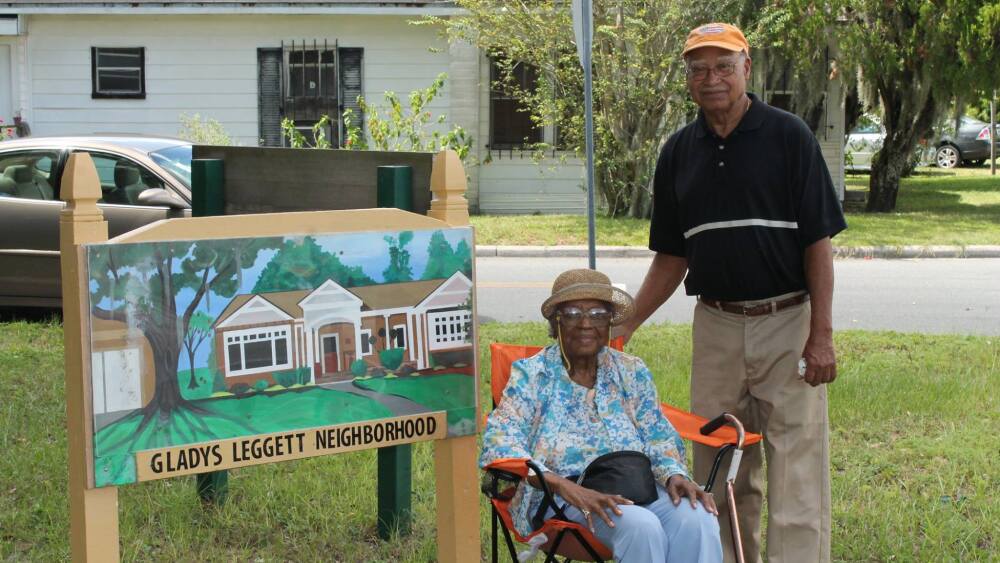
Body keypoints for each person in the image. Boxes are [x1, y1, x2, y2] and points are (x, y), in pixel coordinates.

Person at [620, 22, 847, 563]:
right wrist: (624, 324)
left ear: (748, 67)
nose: (711, 78)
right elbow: (673, 256)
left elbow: (818, 243)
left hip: (788, 321)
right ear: (688, 79)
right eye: (699, 69)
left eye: (724, 65)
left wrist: (822, 336)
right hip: (716, 325)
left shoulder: (788, 135)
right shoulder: (678, 151)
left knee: (797, 469)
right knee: (716, 466)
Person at [480, 268, 723, 563]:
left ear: (610, 322)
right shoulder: (531, 375)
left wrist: (674, 473)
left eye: (597, 313)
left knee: (698, 518)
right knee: (641, 527)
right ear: (555, 323)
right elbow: (500, 441)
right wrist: (561, 484)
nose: (585, 324)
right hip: (561, 501)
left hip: (636, 485)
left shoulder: (631, 371)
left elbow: (658, 434)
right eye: (572, 313)